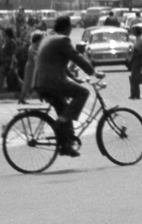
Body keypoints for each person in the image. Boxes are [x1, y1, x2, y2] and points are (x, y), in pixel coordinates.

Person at [32, 15, 103, 155]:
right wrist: (93, 73)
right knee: (83, 93)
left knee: (65, 109)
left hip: (41, 82)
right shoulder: (63, 40)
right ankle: (62, 125)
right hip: (51, 82)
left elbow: (59, 65)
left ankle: (66, 145)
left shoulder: (49, 38)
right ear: (67, 27)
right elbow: (76, 57)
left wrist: (75, 80)